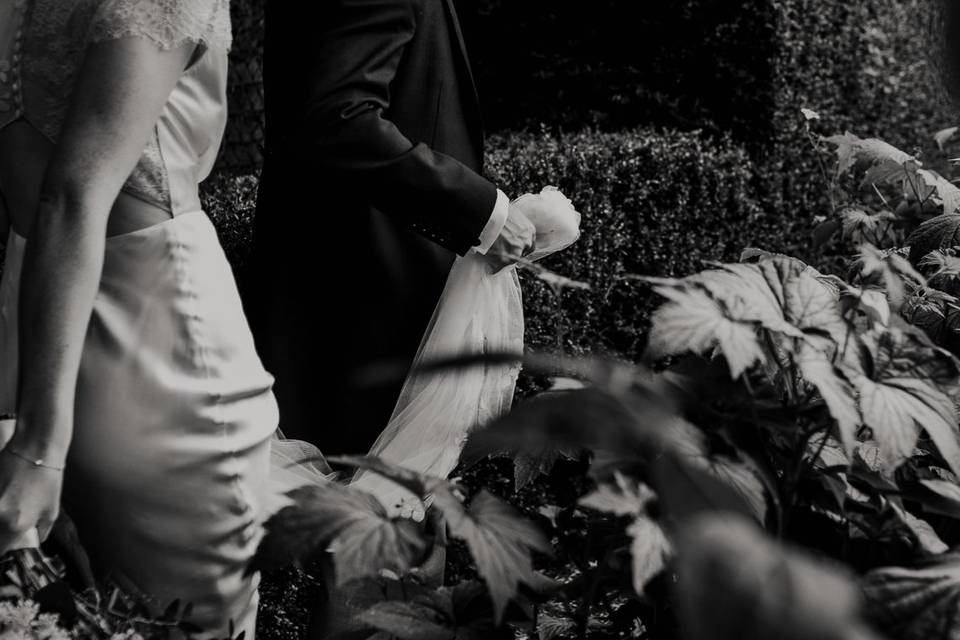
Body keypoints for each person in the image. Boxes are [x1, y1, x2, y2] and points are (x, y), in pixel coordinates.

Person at [0, 0, 274, 636]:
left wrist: (39, 448)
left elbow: (73, 194)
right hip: (32, 320)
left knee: (178, 619)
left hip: (155, 347)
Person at [243, 0, 539, 455]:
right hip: (355, 295)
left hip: (352, 286)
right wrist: (482, 213)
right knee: (358, 498)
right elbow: (340, 118)